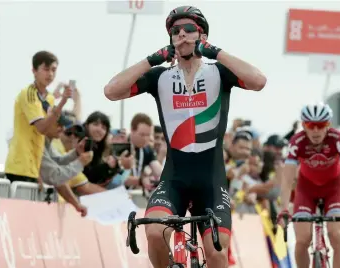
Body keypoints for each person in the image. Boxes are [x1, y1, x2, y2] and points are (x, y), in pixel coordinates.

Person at [104, 5, 266, 268]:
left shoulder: (218, 73)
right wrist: (152, 59)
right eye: (175, 31)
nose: (181, 35)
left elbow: (258, 80)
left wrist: (217, 52)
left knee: (216, 253)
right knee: (154, 232)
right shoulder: (161, 77)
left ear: (202, 36)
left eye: (189, 29)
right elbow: (111, 91)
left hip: (211, 184)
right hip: (174, 180)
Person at [277, 103, 340, 268]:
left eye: (320, 125)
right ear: (303, 125)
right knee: (302, 240)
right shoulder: (297, 141)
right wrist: (284, 209)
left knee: (336, 235)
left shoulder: (338, 139)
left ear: (328, 125)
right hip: (306, 190)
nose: (315, 131)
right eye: (310, 125)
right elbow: (287, 178)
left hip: (333, 189)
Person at [5, 51, 72, 184]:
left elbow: (46, 131)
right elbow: (41, 127)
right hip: (19, 166)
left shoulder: (50, 98)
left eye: (53, 70)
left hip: (34, 169)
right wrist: (63, 102)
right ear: (34, 71)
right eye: (46, 69)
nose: (50, 74)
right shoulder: (28, 93)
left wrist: (38, 172)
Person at [40, 110, 91, 216]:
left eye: (77, 133)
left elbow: (57, 163)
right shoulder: (37, 142)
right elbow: (56, 176)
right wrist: (80, 162)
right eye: (58, 124)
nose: (62, 128)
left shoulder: (46, 142)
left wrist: (76, 153)